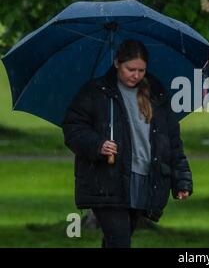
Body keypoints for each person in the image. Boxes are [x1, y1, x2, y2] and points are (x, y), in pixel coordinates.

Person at [63, 39, 192, 248]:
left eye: (141, 70)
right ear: (116, 63)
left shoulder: (156, 93)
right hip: (107, 180)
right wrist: (98, 144)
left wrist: (181, 180)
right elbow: (73, 128)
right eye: (130, 69)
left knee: (117, 241)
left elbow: (172, 141)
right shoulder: (95, 92)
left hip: (144, 180)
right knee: (120, 240)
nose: (136, 75)